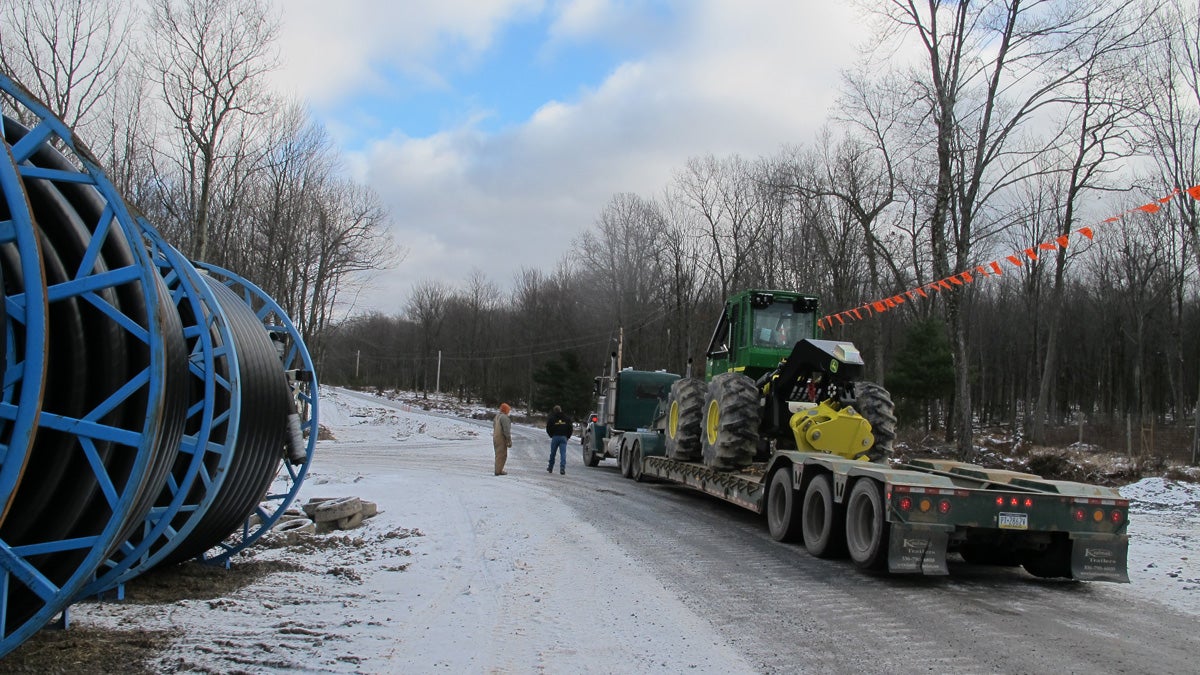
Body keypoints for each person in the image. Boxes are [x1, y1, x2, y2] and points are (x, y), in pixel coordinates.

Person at [545, 405, 573, 475]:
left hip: (555, 437)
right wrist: (568, 436)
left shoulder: (552, 419)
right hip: (563, 437)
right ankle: (562, 468)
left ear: (554, 411)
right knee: (563, 453)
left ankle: (550, 467)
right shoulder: (566, 418)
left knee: (553, 453)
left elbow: (548, 428)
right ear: (561, 410)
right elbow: (570, 428)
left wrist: (551, 435)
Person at [493, 403, 512, 475]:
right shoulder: (504, 418)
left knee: (498, 454)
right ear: (506, 410)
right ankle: (498, 471)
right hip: (501, 438)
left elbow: (494, 426)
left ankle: (499, 469)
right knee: (502, 455)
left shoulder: (497, 416)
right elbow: (506, 430)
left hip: (495, 437)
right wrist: (509, 439)